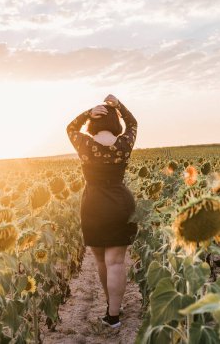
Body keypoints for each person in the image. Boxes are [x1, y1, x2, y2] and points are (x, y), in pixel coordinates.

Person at [66, 94, 138, 328]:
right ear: (116, 124)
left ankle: (111, 305)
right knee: (116, 262)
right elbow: (133, 123)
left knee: (101, 262)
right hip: (120, 202)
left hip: (94, 204)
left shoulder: (84, 143)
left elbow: (70, 128)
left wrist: (89, 112)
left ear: (93, 124)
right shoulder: (124, 143)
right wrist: (119, 106)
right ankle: (114, 315)